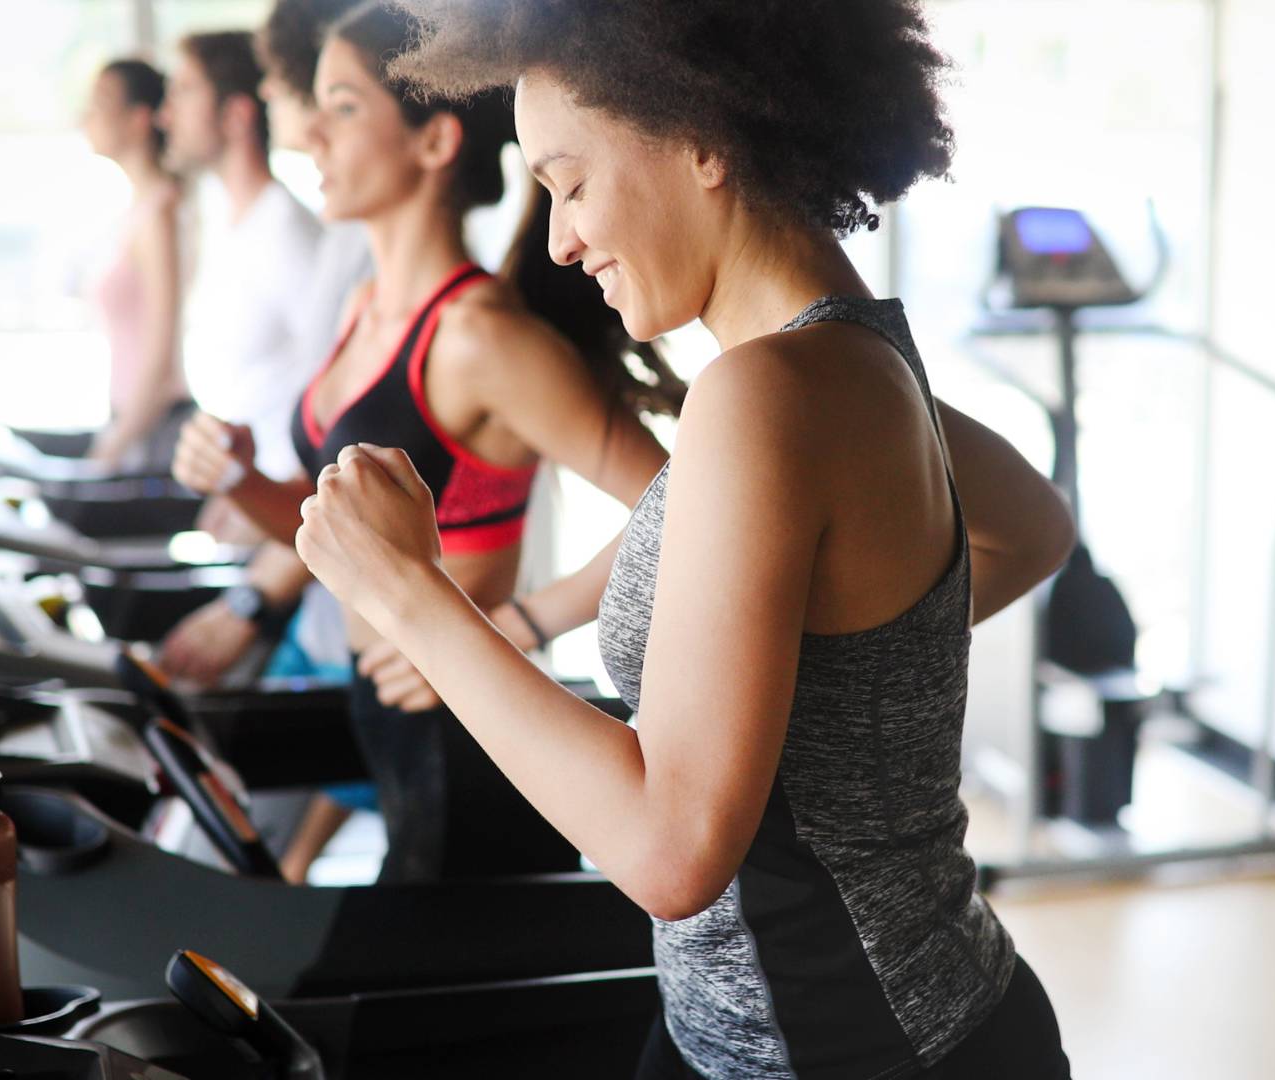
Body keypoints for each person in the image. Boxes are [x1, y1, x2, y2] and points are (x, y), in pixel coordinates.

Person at [293, 1, 1079, 1076]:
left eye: (572, 183)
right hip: (859, 1014)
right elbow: (1034, 529)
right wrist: (829, 665)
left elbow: (672, 854)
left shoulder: (765, 392)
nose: (562, 239)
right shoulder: (855, 360)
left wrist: (414, 597)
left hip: (849, 1042)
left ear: (703, 136)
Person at [171, 2, 679, 884]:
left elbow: (684, 502)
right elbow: (341, 536)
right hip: (387, 723)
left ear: (434, 143)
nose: (310, 140)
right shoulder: (365, 308)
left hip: (469, 746)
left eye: (343, 107)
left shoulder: (479, 336)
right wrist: (245, 481)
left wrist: (523, 623)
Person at [158, 30, 323, 525]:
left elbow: (340, 406)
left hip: (288, 521)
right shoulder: (227, 221)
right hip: (245, 507)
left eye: (185, 91)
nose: (166, 115)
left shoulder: (288, 235)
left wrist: (265, 499)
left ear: (236, 114)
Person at [77, 58, 191, 470]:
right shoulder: (137, 209)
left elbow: (162, 352)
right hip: (128, 420)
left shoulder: (160, 212)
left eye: (101, 102)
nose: (86, 116)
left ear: (140, 118)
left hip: (150, 430)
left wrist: (114, 445)